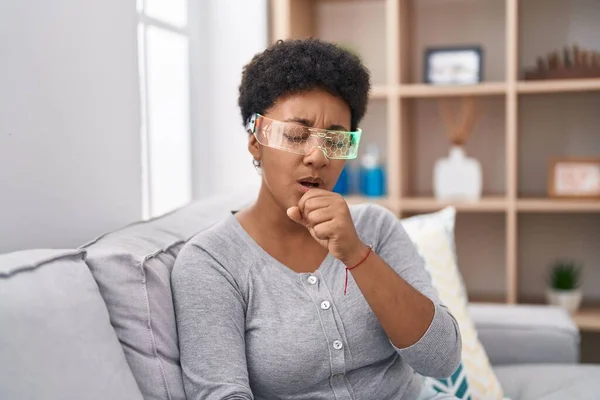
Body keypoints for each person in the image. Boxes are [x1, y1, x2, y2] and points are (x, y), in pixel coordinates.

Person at [171, 38, 462, 400]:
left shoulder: (376, 227)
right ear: (255, 141)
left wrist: (357, 255)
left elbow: (442, 360)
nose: (318, 156)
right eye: (296, 134)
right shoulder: (211, 263)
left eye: (336, 141)